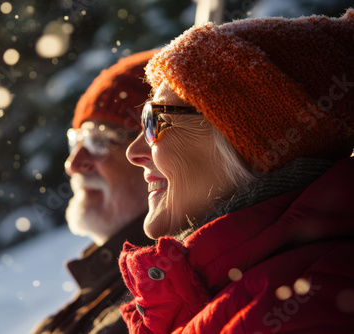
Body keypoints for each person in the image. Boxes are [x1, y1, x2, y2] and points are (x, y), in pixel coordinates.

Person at [119, 10, 354, 334]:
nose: (134, 152)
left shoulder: (295, 310)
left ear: (244, 140)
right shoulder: (211, 292)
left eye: (153, 120)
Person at [30, 49, 157, 334]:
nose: (73, 164)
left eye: (99, 139)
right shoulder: (107, 283)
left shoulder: (154, 305)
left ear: (151, 153)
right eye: (77, 140)